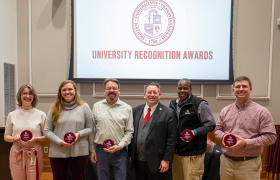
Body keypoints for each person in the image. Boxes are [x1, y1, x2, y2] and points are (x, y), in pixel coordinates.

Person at [214, 76, 277, 180]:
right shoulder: (225, 110)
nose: (241, 89)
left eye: (244, 86)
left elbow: (271, 137)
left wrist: (246, 143)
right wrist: (225, 136)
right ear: (233, 90)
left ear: (250, 89)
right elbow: (217, 131)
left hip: (248, 164)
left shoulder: (262, 112)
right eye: (238, 87)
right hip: (226, 162)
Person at [44, 80, 92, 180]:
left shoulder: (84, 107)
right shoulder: (54, 108)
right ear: (60, 92)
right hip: (57, 151)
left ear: (75, 90)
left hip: (80, 151)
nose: (67, 92)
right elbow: (47, 130)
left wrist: (78, 134)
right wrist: (60, 142)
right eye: (64, 90)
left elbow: (90, 128)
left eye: (70, 89)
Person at [169, 78, 216, 180]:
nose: (182, 90)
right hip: (177, 154)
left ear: (190, 89)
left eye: (185, 88)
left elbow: (211, 125)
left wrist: (194, 132)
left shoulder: (200, 104)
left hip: (193, 154)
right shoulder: (173, 104)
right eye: (180, 88)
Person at [129, 82, 177, 180]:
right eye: (149, 92)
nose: (152, 95)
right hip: (137, 161)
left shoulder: (168, 113)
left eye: (154, 92)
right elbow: (131, 133)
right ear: (144, 95)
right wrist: (130, 154)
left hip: (157, 162)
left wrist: (166, 160)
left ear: (159, 95)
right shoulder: (135, 111)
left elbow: (171, 139)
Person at [89, 78, 134, 180]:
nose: (111, 90)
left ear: (118, 91)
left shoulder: (127, 108)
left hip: (120, 152)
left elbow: (129, 132)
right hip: (100, 151)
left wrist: (119, 146)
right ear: (104, 91)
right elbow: (93, 130)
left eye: (114, 88)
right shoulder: (97, 106)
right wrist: (92, 150)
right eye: (108, 88)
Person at [4, 84, 47, 180]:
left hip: (34, 151)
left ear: (34, 96)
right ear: (20, 96)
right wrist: (13, 138)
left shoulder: (41, 115)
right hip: (17, 151)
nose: (27, 96)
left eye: (30, 94)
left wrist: (35, 138)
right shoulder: (12, 115)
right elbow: (6, 137)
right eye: (25, 93)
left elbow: (47, 136)